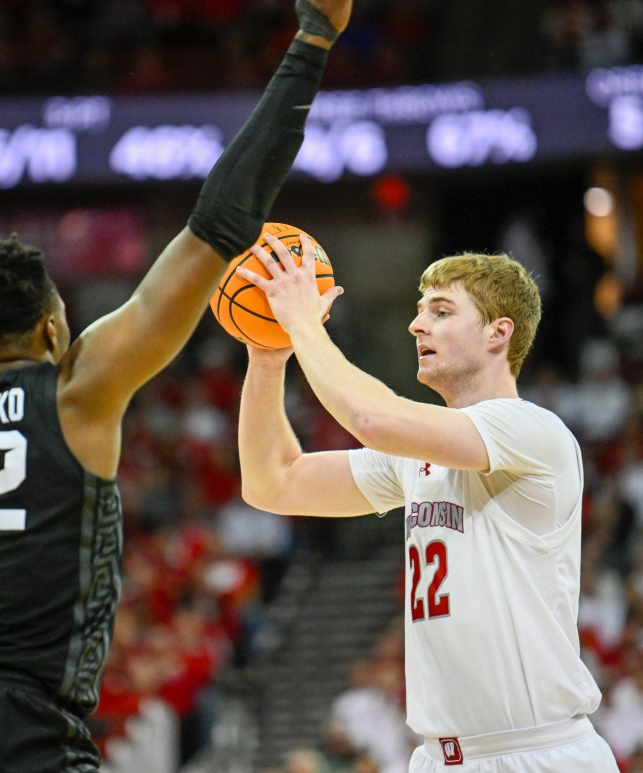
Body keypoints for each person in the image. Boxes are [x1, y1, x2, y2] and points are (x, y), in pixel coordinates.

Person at [0, 1, 353, 769]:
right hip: (22, 721)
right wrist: (312, 43)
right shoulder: (79, 390)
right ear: (52, 329)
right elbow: (218, 225)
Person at [236, 234, 620, 771]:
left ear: (498, 333)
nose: (418, 325)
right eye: (419, 312)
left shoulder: (532, 430)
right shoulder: (415, 455)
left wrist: (302, 323)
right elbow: (272, 483)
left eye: (441, 311)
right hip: (439, 757)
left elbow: (374, 418)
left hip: (536, 753)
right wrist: (268, 358)